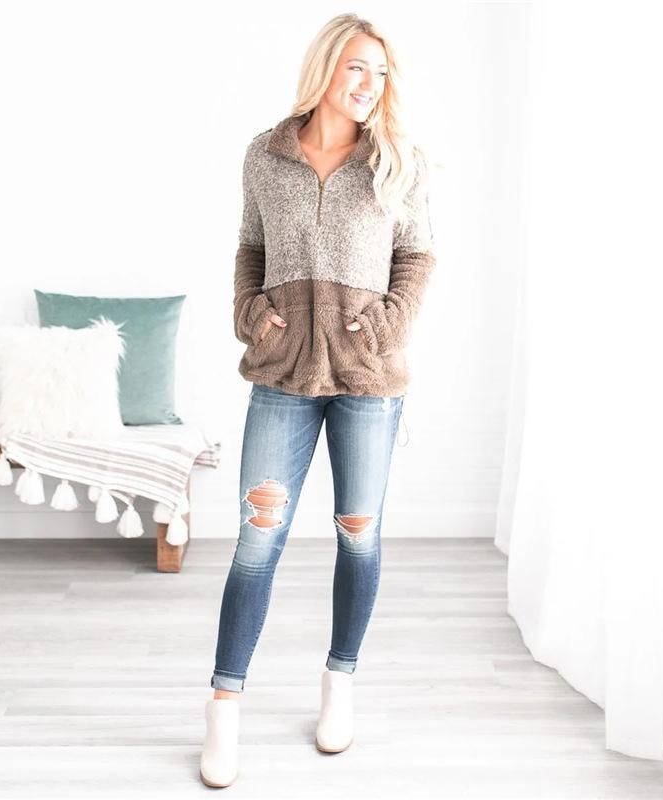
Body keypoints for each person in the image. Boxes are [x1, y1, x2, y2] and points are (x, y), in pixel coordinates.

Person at [200, 12, 436, 788]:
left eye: (380, 72)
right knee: (256, 540)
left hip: (368, 380)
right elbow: (250, 247)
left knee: (358, 536)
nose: (370, 84)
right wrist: (250, 311)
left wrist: (389, 322)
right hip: (282, 377)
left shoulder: (398, 160)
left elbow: (417, 257)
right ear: (326, 68)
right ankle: (223, 711)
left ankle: (340, 683)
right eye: (357, 68)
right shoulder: (265, 155)